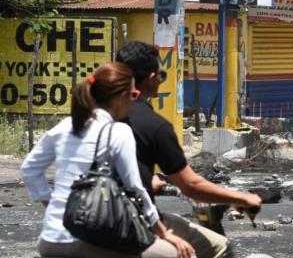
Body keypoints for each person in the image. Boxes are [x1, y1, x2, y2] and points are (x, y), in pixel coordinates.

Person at [21, 63, 194, 258]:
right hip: (89, 239)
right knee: (185, 254)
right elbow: (136, 188)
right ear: (121, 97)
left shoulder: (66, 125)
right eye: (133, 95)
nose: (134, 102)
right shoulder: (119, 131)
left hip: (49, 240)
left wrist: (53, 206)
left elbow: (29, 169)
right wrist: (165, 234)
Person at [116, 42, 263, 258]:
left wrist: (146, 181)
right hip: (128, 224)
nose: (161, 80)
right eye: (162, 75)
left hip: (84, 219)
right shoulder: (154, 126)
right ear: (150, 78)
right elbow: (191, 185)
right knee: (220, 247)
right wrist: (241, 198)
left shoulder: (96, 116)